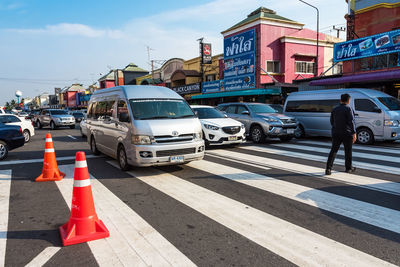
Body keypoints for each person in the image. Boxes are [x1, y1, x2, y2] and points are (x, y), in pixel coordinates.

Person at [325, 93, 357, 175]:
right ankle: (348, 168)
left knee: (333, 150)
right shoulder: (349, 108)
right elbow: (351, 122)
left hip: (336, 132)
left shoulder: (335, 109)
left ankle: (328, 168)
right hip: (347, 133)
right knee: (348, 151)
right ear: (349, 100)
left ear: (340, 100)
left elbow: (332, 121)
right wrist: (354, 133)